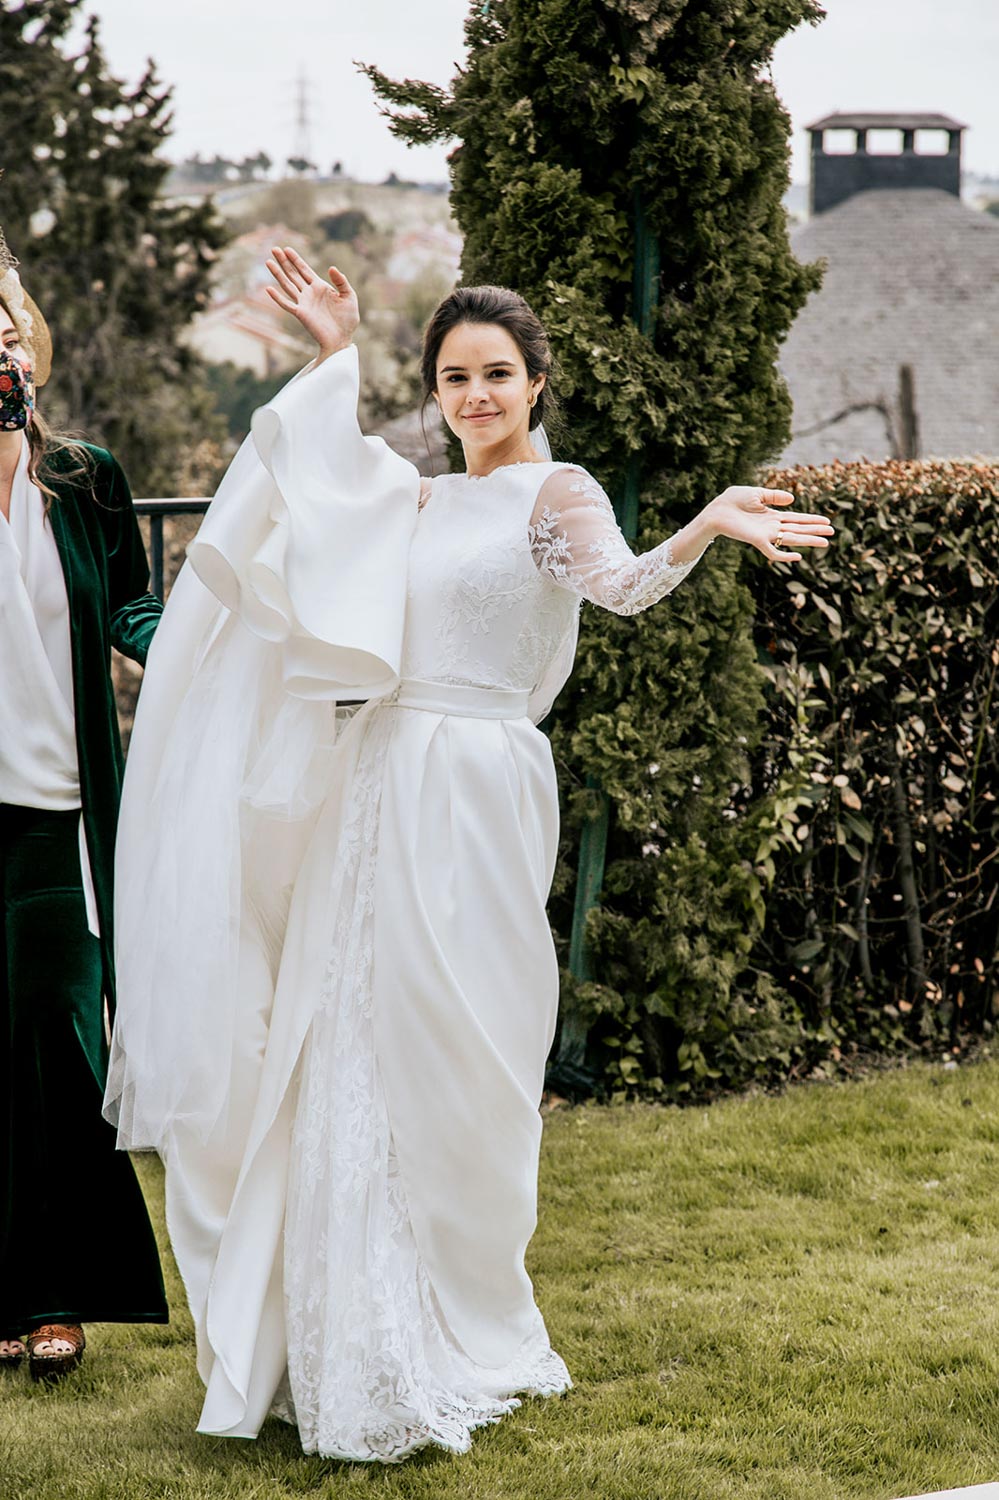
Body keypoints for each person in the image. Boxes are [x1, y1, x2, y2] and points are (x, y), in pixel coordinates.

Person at [106, 249, 833, 1461]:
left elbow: (626, 589)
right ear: (436, 391)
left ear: (536, 384)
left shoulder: (561, 496)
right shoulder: (422, 499)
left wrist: (708, 520)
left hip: (484, 788)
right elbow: (321, 498)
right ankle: (343, 1335)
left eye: (498, 373)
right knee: (350, 1040)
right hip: (378, 778)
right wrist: (337, 353)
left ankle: (470, 1308)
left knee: (468, 1052)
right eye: (455, 376)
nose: (477, 395)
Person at [0, 235, 167, 1381]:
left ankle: (59, 1292)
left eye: (7, 328)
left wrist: (203, 656)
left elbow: (135, 606)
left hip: (58, 811)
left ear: (36, 348)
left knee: (59, 1041)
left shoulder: (85, 475)